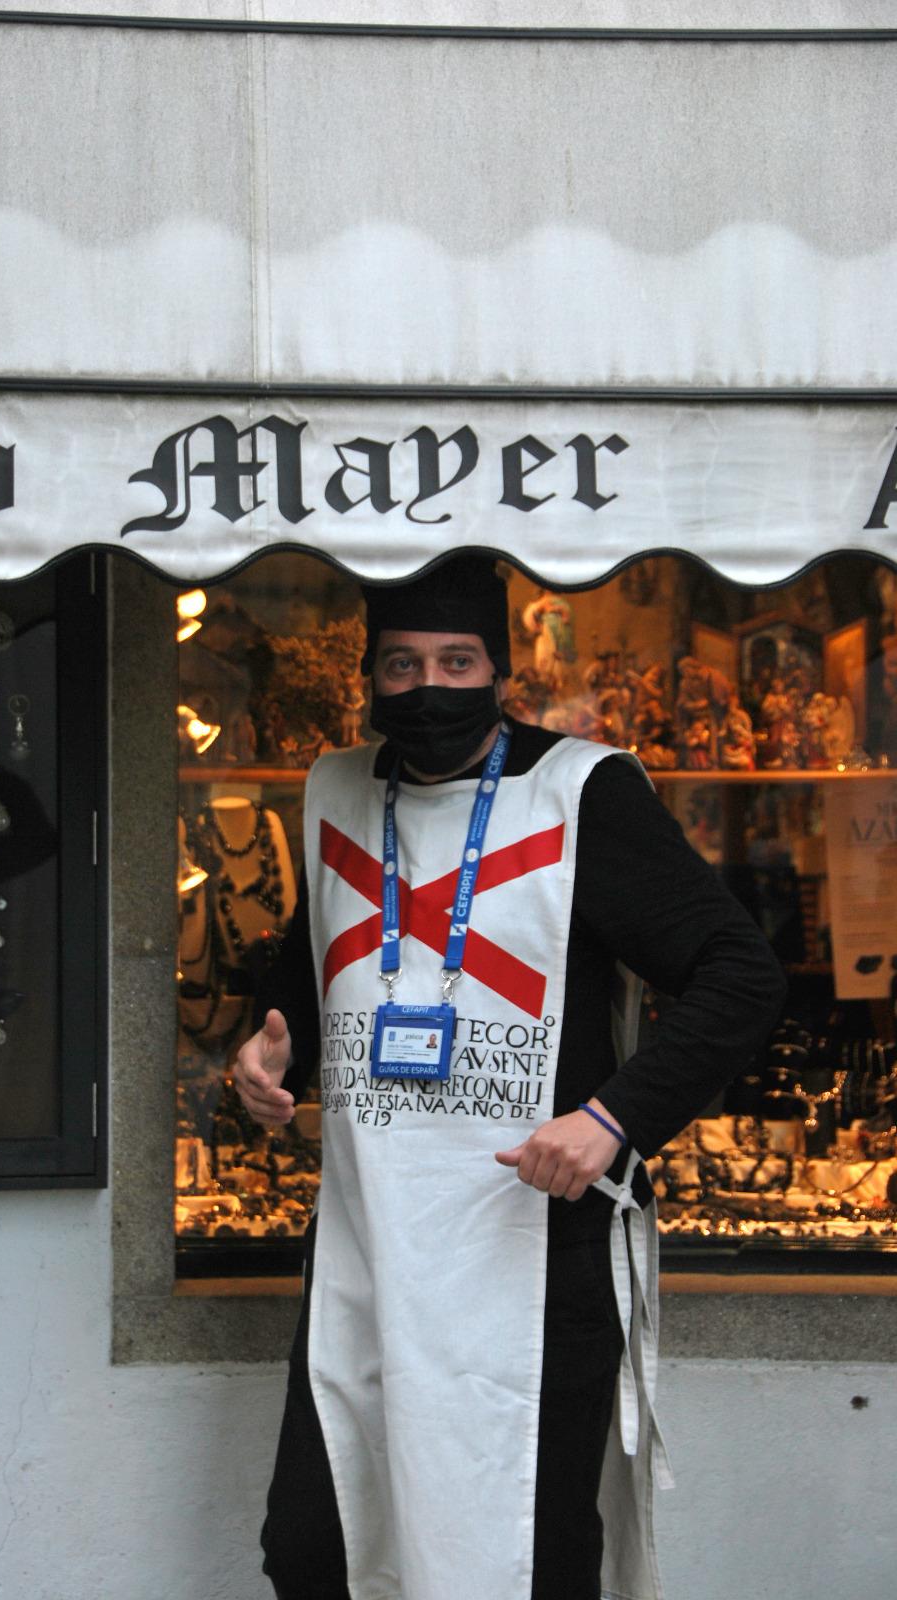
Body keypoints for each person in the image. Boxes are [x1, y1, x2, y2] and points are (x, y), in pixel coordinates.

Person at [234, 555, 785, 1600]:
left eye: (455, 660)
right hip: (367, 1243)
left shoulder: (583, 792)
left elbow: (740, 976)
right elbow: (321, 972)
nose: (426, 686)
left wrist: (614, 1117)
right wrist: (273, 1054)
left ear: (500, 667)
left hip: (536, 1245)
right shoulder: (337, 794)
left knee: (525, 1556)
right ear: (369, 671)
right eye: (400, 663)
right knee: (318, 1545)